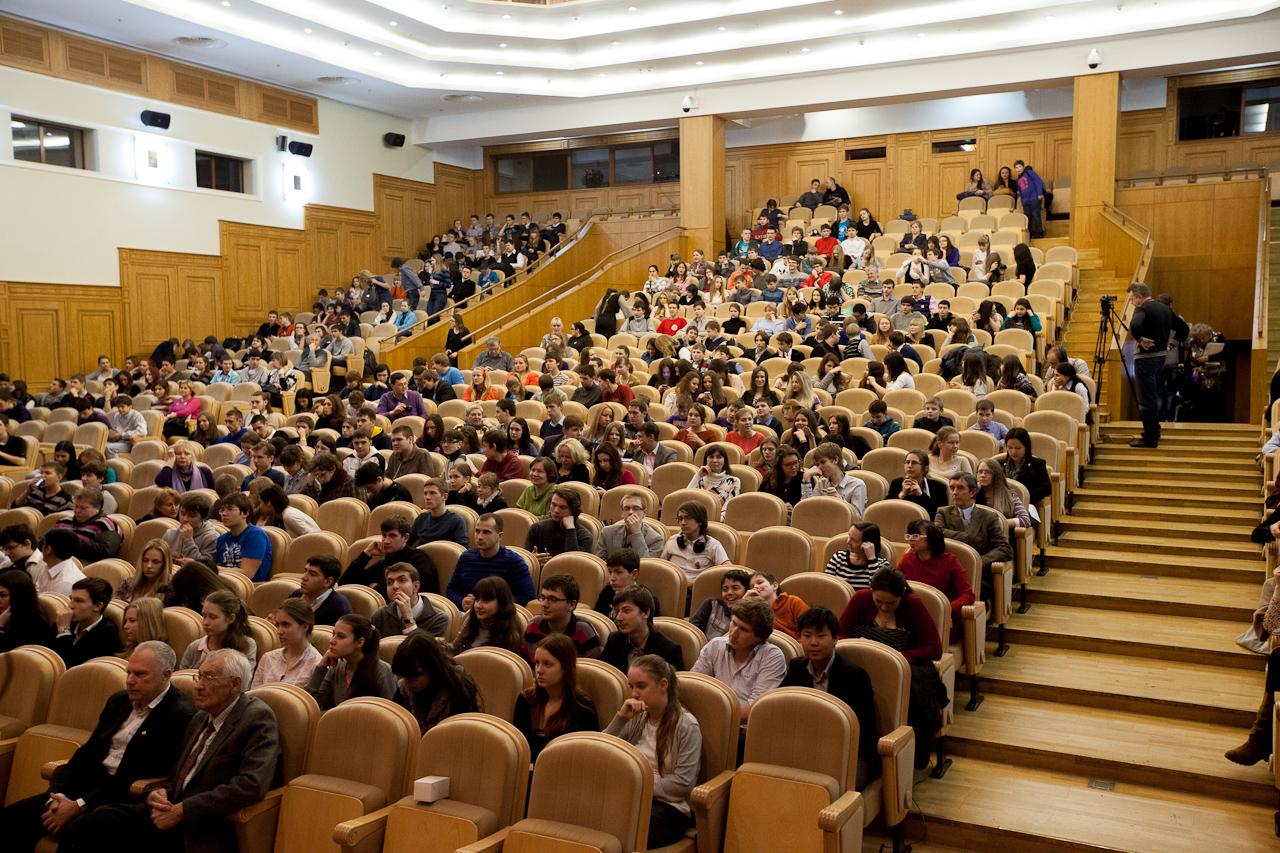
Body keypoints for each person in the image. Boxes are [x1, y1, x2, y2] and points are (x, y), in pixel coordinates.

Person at [43, 647, 276, 853]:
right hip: (169, 808)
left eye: (209, 677)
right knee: (100, 818)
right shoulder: (200, 718)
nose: (199, 685)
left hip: (201, 823)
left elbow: (251, 785)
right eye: (199, 676)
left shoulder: (256, 718)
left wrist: (183, 810)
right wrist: (162, 792)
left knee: (114, 835)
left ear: (235, 683)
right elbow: (178, 774)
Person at [0, 640, 195, 853]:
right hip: (83, 787)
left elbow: (137, 776)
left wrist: (78, 806)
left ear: (166, 675)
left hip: (120, 799)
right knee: (12, 818)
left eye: (139, 675)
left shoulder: (179, 715)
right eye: (128, 672)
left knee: (77, 830)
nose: (129, 681)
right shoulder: (119, 701)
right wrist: (60, 796)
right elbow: (87, 753)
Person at [838, 567, 946, 768]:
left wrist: (894, 658)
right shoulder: (861, 599)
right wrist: (862, 647)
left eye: (891, 603)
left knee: (915, 688)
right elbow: (839, 635)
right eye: (879, 602)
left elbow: (934, 648)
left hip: (904, 666)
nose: (884, 608)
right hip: (864, 662)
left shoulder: (913, 604)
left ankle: (909, 749)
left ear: (902, 595)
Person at [603, 654, 702, 846]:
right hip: (633, 797)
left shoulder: (686, 725)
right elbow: (602, 751)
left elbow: (682, 785)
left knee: (622, 829)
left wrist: (636, 781)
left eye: (641, 686)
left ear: (663, 684)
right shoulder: (637, 717)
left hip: (671, 808)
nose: (634, 694)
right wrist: (621, 718)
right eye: (632, 687)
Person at [781, 606, 879, 790]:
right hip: (805, 748)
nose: (813, 642)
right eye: (807, 635)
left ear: (835, 638)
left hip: (849, 753)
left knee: (838, 792)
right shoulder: (797, 668)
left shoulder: (855, 676)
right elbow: (782, 711)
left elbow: (865, 730)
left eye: (821, 636)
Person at [691, 596, 787, 761]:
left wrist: (713, 717)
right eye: (734, 623)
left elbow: (755, 708)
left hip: (746, 737)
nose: (733, 633)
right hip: (707, 728)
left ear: (759, 637)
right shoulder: (715, 646)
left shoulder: (772, 656)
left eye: (743, 629)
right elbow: (693, 688)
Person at [390, 632, 482, 734]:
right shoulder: (404, 690)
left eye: (413, 678)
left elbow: (466, 735)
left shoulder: (459, 691)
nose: (406, 683)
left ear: (433, 668)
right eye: (404, 677)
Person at [899, 520, 974, 635]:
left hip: (941, 618)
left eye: (916, 536)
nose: (910, 539)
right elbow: (895, 587)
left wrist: (945, 609)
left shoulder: (950, 561)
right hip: (912, 616)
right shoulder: (907, 559)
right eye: (909, 535)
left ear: (931, 539)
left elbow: (967, 595)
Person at [307, 613, 397, 709]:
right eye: (333, 635)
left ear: (359, 642)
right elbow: (312, 704)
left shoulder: (382, 671)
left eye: (341, 636)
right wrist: (321, 667)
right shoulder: (337, 667)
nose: (332, 641)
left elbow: (390, 714)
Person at [447, 513, 535, 608]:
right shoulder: (466, 557)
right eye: (477, 531)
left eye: (486, 532)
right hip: (469, 613)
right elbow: (451, 589)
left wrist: (493, 604)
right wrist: (462, 601)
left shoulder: (514, 561)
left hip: (500, 616)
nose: (479, 537)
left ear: (500, 536)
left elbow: (527, 596)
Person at [935, 472, 1013, 574]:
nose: (955, 492)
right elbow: (936, 534)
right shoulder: (943, 512)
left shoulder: (989, 517)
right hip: (948, 571)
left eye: (960, 488)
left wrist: (978, 561)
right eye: (952, 488)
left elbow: (1005, 549)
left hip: (979, 574)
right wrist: (968, 536)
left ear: (973, 492)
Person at [522, 574, 603, 662]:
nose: (544, 604)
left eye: (552, 599)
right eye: (543, 597)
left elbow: (592, 671)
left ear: (572, 605)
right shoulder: (534, 624)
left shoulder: (583, 630)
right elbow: (525, 663)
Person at [249, 598, 323, 689]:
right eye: (277, 625)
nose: (279, 631)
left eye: (286, 625)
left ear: (305, 627)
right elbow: (253, 696)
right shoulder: (268, 658)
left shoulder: (316, 664)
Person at [50, 577, 122, 667]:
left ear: (98, 606)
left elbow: (70, 666)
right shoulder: (67, 621)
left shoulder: (108, 633)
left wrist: (64, 630)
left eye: (79, 601)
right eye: (71, 599)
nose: (71, 605)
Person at [179, 589, 257, 671]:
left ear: (230, 619)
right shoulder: (195, 647)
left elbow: (244, 681)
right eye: (204, 616)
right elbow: (181, 679)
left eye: (213, 617)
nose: (205, 622)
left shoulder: (246, 645)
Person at [449, 575, 526, 655]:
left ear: (501, 603)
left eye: (486, 600)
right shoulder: (471, 619)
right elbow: (455, 648)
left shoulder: (511, 634)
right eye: (477, 599)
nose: (478, 606)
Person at [524, 486, 593, 569]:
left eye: (562, 507)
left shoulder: (584, 536)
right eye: (553, 505)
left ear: (573, 509)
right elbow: (524, 560)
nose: (556, 510)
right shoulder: (537, 528)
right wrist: (532, 560)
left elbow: (573, 564)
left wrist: (570, 529)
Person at [660, 500, 730, 583]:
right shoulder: (673, 541)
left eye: (688, 518)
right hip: (673, 586)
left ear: (700, 521)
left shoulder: (712, 545)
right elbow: (661, 565)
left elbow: (727, 569)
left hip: (698, 589)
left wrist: (695, 582)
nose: (683, 523)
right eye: (680, 519)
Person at [800, 441, 867, 520]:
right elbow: (808, 511)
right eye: (817, 464)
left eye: (823, 462)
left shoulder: (857, 485)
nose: (820, 467)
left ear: (835, 460)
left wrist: (839, 499)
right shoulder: (822, 483)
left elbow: (857, 518)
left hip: (846, 529)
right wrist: (806, 478)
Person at [214, 494, 272, 582]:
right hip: (223, 583)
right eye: (222, 510)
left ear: (245, 513)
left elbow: (247, 574)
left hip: (247, 588)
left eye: (230, 509)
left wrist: (213, 569)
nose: (224, 514)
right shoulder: (222, 539)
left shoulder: (255, 535)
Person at [0, 567, 55, 651]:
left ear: (18, 596)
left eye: (3, 595)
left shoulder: (35, 626)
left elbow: (8, 657)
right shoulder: (2, 615)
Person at [286, 556, 352, 626]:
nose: (304, 577)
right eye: (305, 571)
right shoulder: (296, 595)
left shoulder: (339, 606)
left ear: (328, 582)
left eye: (312, 574)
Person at [594, 495, 664, 559]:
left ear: (644, 513)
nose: (630, 512)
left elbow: (645, 567)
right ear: (622, 513)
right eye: (626, 508)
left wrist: (636, 534)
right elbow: (599, 564)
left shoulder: (656, 539)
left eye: (636, 508)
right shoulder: (607, 533)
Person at [744, 571, 807, 640]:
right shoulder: (753, 610)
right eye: (751, 587)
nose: (755, 587)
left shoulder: (793, 602)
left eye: (760, 583)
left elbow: (807, 629)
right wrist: (744, 601)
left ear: (774, 586)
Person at [975, 458, 1033, 532]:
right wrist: (973, 492)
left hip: (1000, 536)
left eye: (988, 472)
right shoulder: (973, 494)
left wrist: (999, 523)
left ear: (996, 475)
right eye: (980, 472)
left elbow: (1025, 520)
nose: (982, 475)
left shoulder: (1009, 497)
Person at [1002, 427, 1053, 509]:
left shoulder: (1037, 464)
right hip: (1003, 506)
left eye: (1018, 448)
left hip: (1026, 506)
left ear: (1026, 447)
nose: (1013, 452)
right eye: (1010, 448)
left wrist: (1024, 499)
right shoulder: (1000, 464)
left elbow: (1046, 488)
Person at [888, 450, 945, 518]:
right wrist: (901, 495)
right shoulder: (897, 483)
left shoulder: (938, 487)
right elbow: (886, 509)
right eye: (907, 462)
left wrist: (921, 495)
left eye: (914, 463)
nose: (909, 466)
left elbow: (940, 514)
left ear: (925, 468)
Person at [115, 538, 174, 603]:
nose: (148, 566)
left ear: (165, 564)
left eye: (156, 562)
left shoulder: (171, 588)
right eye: (145, 560)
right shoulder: (128, 583)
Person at [688, 443, 740, 515]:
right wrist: (698, 476)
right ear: (706, 460)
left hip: (718, 522)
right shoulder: (700, 479)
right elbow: (686, 499)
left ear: (724, 461)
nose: (715, 460)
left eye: (719, 457)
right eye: (711, 457)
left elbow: (727, 510)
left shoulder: (733, 481)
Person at [1012, 160, 1046, 238]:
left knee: (1036, 215)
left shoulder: (1030, 173)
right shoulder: (1018, 180)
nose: (1018, 169)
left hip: (1034, 198)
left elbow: (1038, 182)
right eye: (1016, 168)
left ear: (1023, 167)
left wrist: (1040, 193)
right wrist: (1023, 202)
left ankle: (1039, 232)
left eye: (1020, 167)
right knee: (1028, 216)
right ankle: (1029, 233)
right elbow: (1020, 191)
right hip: (1026, 201)